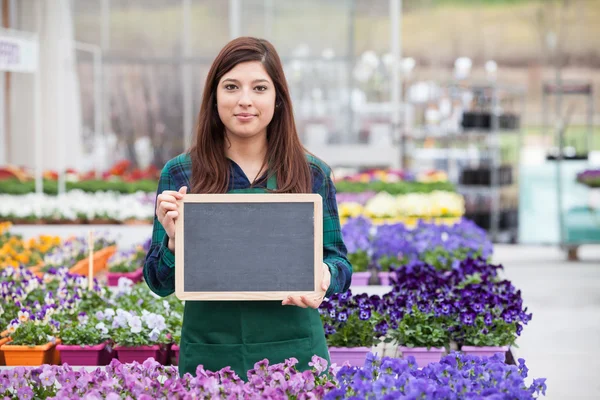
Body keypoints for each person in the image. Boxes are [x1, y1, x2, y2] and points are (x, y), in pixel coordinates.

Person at [143, 37, 352, 379]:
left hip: (295, 349)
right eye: (231, 87)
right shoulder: (181, 173)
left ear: (278, 99)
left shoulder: (311, 172)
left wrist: (325, 277)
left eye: (259, 88)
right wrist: (173, 243)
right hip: (211, 353)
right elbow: (159, 281)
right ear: (214, 97)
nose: (244, 101)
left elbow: (339, 261)